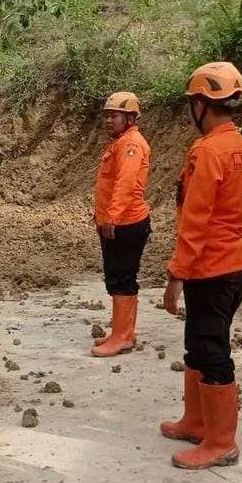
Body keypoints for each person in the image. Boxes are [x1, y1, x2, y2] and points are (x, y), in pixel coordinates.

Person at [160, 62, 242, 470]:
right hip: (234, 263)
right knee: (199, 343)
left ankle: (221, 442)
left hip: (212, 267)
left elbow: (195, 219)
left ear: (201, 104)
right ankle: (197, 421)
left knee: (210, 348)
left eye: (191, 104)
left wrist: (175, 276)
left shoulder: (207, 151)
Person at [91, 92, 152, 357]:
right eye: (106, 116)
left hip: (125, 223)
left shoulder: (131, 145)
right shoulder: (121, 142)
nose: (108, 121)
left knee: (122, 278)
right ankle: (123, 331)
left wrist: (111, 217)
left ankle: (122, 336)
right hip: (119, 221)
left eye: (113, 116)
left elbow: (125, 184)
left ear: (130, 118)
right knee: (119, 277)